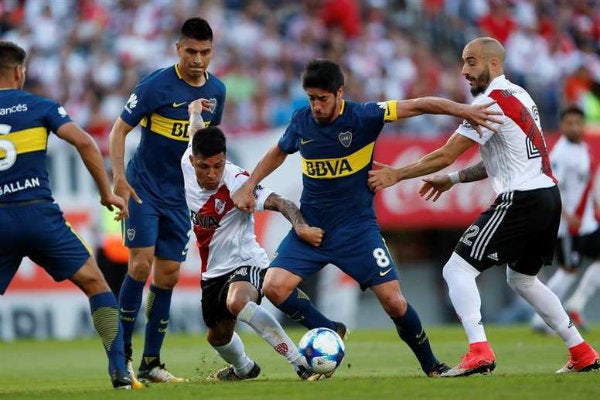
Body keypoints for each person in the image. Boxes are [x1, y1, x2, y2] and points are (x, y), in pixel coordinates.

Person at [231, 58, 502, 377]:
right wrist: (249, 184)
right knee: (274, 288)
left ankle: (431, 364)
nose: (316, 106)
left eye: (322, 99)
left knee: (394, 302)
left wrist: (464, 110)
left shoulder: (364, 116)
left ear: (340, 93)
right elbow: (278, 151)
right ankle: (330, 328)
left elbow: (418, 105)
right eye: (311, 99)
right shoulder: (302, 121)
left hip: (357, 230)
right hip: (312, 229)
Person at [367, 37, 600, 376]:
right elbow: (499, 160)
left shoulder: (490, 103)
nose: (464, 70)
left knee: (457, 269)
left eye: (471, 62)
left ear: (493, 64)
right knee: (522, 279)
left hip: (522, 198)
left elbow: (446, 153)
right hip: (547, 196)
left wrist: (397, 174)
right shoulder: (520, 95)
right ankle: (581, 351)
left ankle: (479, 351)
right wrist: (453, 180)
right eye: (463, 62)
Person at [0, 41, 134, 389]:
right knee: (97, 284)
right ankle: (120, 370)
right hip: (39, 216)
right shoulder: (40, 105)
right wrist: (106, 193)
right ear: (19, 72)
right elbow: (86, 142)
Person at [108, 17, 226, 384]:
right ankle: (121, 357)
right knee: (140, 267)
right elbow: (119, 130)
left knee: (169, 275)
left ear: (211, 52)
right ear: (178, 49)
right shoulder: (155, 86)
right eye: (191, 51)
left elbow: (205, 145)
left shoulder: (217, 92)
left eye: (205, 52)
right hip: (144, 188)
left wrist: (211, 184)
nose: (197, 60)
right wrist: (119, 179)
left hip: (180, 196)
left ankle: (151, 363)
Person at [182, 100, 323, 381]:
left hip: (246, 261)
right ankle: (245, 369)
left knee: (238, 302)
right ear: (193, 161)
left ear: (225, 158)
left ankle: (299, 363)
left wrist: (301, 227)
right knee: (217, 337)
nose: (212, 174)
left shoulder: (236, 181)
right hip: (213, 271)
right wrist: (195, 112)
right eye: (204, 167)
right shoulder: (187, 160)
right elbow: (195, 132)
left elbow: (280, 202)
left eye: (218, 165)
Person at [530, 106, 600, 334]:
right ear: (562, 126)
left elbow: (586, 184)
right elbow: (553, 184)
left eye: (578, 123)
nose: (575, 127)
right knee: (568, 270)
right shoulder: (560, 153)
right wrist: (568, 216)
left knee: (572, 268)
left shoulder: (584, 149)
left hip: (586, 222)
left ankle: (573, 305)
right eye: (569, 123)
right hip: (568, 224)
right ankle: (542, 317)